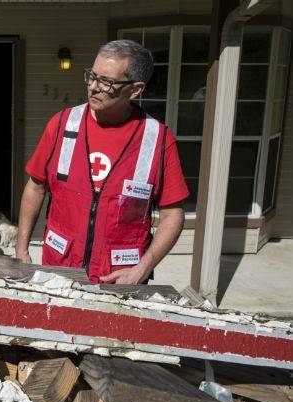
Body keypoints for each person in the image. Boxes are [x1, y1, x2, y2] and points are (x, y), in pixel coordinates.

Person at [15, 40, 188, 284]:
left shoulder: (157, 140)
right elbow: (35, 186)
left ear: (136, 89)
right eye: (92, 76)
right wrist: (22, 250)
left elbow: (173, 215)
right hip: (60, 270)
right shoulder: (63, 124)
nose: (93, 87)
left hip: (120, 278)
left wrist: (141, 269)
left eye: (106, 81)